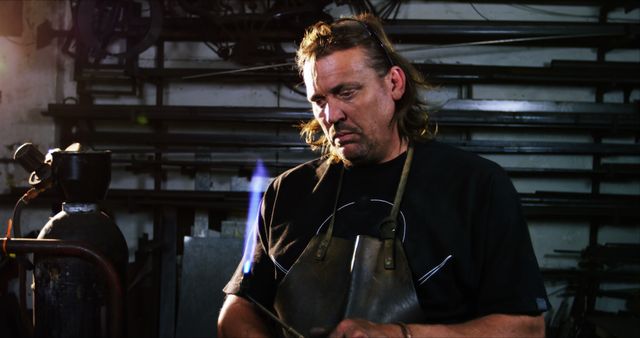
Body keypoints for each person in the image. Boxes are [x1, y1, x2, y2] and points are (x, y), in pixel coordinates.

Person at [218, 13, 549, 338]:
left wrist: (397, 335)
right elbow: (237, 310)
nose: (331, 115)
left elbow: (527, 329)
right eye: (319, 100)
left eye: (346, 92)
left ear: (394, 83)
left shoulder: (477, 187)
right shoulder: (287, 192)